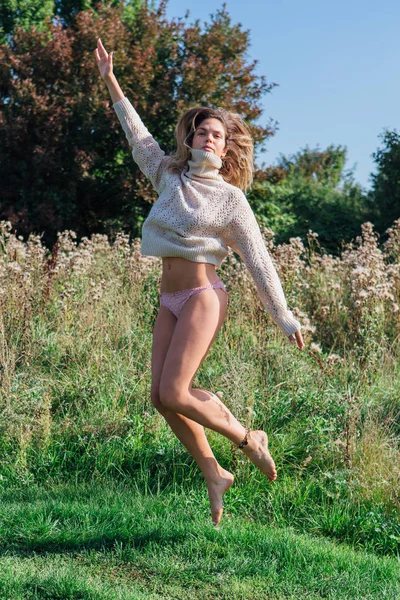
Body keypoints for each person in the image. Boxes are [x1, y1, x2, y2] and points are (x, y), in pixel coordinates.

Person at [95, 38, 304, 525]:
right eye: (202, 132)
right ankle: (215, 472)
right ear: (189, 138)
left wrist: (284, 315)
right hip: (169, 297)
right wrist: (109, 78)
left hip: (204, 295)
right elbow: (137, 135)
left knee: (175, 392)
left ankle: (249, 439)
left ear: (226, 147)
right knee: (161, 397)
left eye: (218, 136)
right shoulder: (167, 174)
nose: (209, 140)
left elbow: (258, 261)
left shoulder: (231, 199)